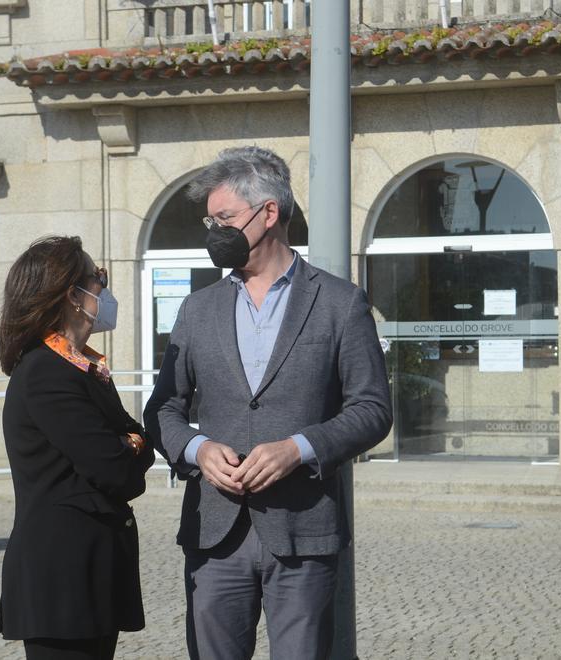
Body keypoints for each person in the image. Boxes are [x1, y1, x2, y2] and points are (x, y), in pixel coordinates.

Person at [145, 146, 392, 660]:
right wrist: (196, 449)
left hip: (304, 531)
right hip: (215, 533)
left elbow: (372, 410)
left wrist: (298, 448)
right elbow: (163, 410)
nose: (215, 231)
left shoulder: (341, 303)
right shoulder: (197, 308)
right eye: (210, 220)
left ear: (270, 213)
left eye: (225, 218)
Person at [0, 235, 154, 660]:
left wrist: (130, 443)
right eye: (98, 277)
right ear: (72, 295)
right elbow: (117, 471)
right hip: (60, 580)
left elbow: (137, 443)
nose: (105, 286)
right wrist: (128, 445)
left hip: (90, 575)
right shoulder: (46, 373)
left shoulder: (82, 367)